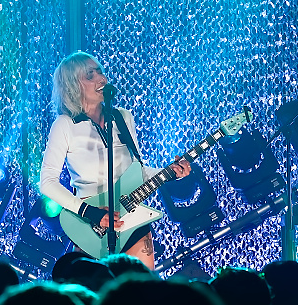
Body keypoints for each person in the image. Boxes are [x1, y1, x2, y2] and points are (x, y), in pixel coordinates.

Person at [38, 51, 189, 269]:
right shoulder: (65, 124)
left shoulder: (122, 117)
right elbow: (47, 182)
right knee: (94, 296)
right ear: (72, 85)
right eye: (90, 75)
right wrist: (90, 213)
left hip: (132, 216)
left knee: (142, 291)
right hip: (91, 223)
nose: (101, 79)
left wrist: (171, 172)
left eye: (100, 71)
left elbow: (138, 171)